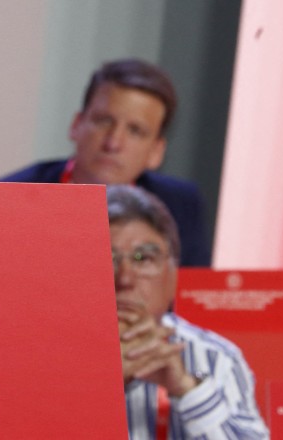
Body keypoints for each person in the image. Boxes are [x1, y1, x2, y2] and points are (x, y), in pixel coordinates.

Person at [0, 58, 212, 266]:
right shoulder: (9, 197)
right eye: (103, 121)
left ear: (156, 152)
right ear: (76, 125)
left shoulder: (180, 205)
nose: (114, 142)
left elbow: (186, 297)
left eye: (135, 131)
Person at [107, 185, 268, 439]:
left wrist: (188, 389)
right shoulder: (50, 355)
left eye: (144, 259)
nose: (125, 278)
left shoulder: (216, 358)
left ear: (172, 276)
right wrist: (100, 384)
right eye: (109, 259)